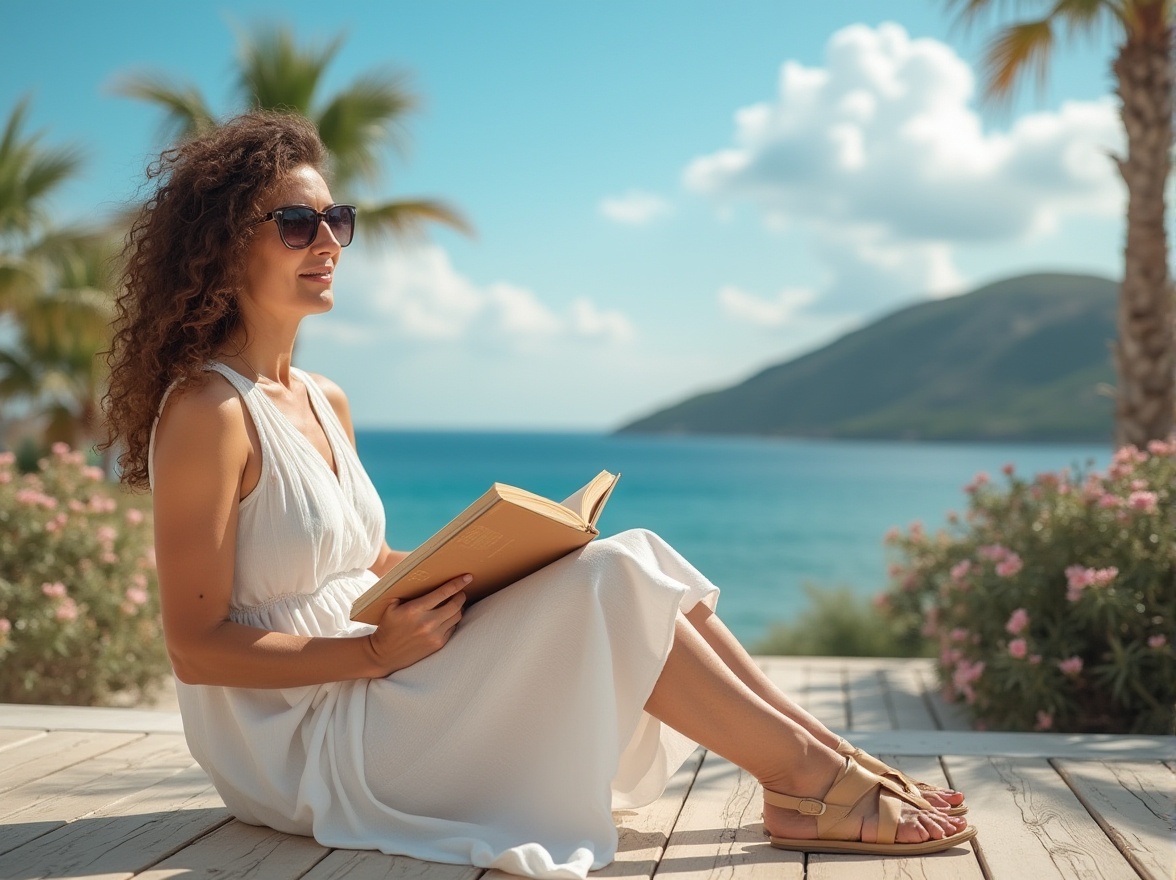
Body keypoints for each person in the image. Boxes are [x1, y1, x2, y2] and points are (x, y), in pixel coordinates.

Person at [102, 111, 974, 878]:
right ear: (223, 245)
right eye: (297, 223)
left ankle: (820, 760)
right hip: (301, 744)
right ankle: (810, 784)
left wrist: (513, 559)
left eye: (338, 219)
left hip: (371, 684)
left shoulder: (325, 400)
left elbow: (364, 567)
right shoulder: (207, 413)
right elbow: (198, 648)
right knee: (617, 584)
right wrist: (375, 657)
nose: (329, 242)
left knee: (628, 556)